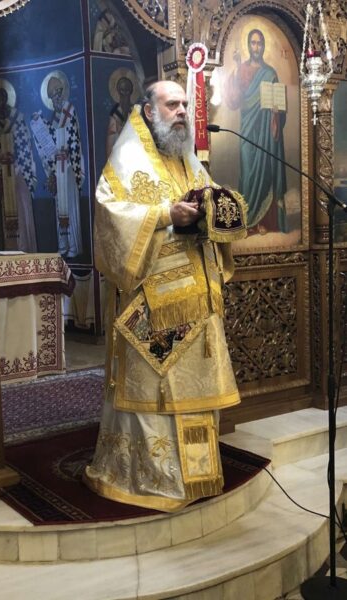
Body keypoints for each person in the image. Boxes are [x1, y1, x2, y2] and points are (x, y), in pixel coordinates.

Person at [83, 80, 247, 512]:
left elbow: (208, 200)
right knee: (155, 392)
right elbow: (109, 215)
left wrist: (215, 210)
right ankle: (152, 479)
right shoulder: (126, 161)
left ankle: (197, 476)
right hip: (151, 306)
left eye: (185, 104)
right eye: (172, 104)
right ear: (149, 110)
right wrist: (164, 214)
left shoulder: (188, 160)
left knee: (194, 388)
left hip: (196, 299)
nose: (181, 112)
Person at [225, 28, 287, 234]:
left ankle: (264, 222)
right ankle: (246, 221)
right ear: (248, 45)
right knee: (248, 172)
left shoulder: (270, 73)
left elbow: (279, 107)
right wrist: (236, 66)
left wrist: (277, 112)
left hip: (265, 133)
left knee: (264, 171)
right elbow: (233, 100)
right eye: (253, 43)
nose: (256, 47)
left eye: (259, 43)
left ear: (263, 46)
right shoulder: (241, 69)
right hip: (247, 130)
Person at [31, 73, 84, 259]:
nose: (56, 98)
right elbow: (51, 138)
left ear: (62, 93)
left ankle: (74, 245)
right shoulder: (55, 117)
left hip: (68, 166)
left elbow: (73, 135)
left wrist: (67, 154)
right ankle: (63, 244)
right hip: (58, 166)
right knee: (59, 207)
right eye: (52, 96)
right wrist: (38, 123)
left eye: (58, 94)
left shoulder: (69, 110)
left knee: (70, 206)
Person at [0, 85, 38, 252]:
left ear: (6, 99)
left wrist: (15, 159)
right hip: (5, 176)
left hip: (20, 173)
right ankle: (12, 249)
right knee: (8, 216)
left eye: (0, 101)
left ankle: (26, 249)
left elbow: (26, 146)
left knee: (23, 211)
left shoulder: (18, 119)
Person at [106, 75, 135, 159]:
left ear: (131, 91)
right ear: (118, 92)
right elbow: (111, 137)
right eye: (122, 90)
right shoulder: (115, 113)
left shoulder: (135, 111)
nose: (125, 94)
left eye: (127, 90)